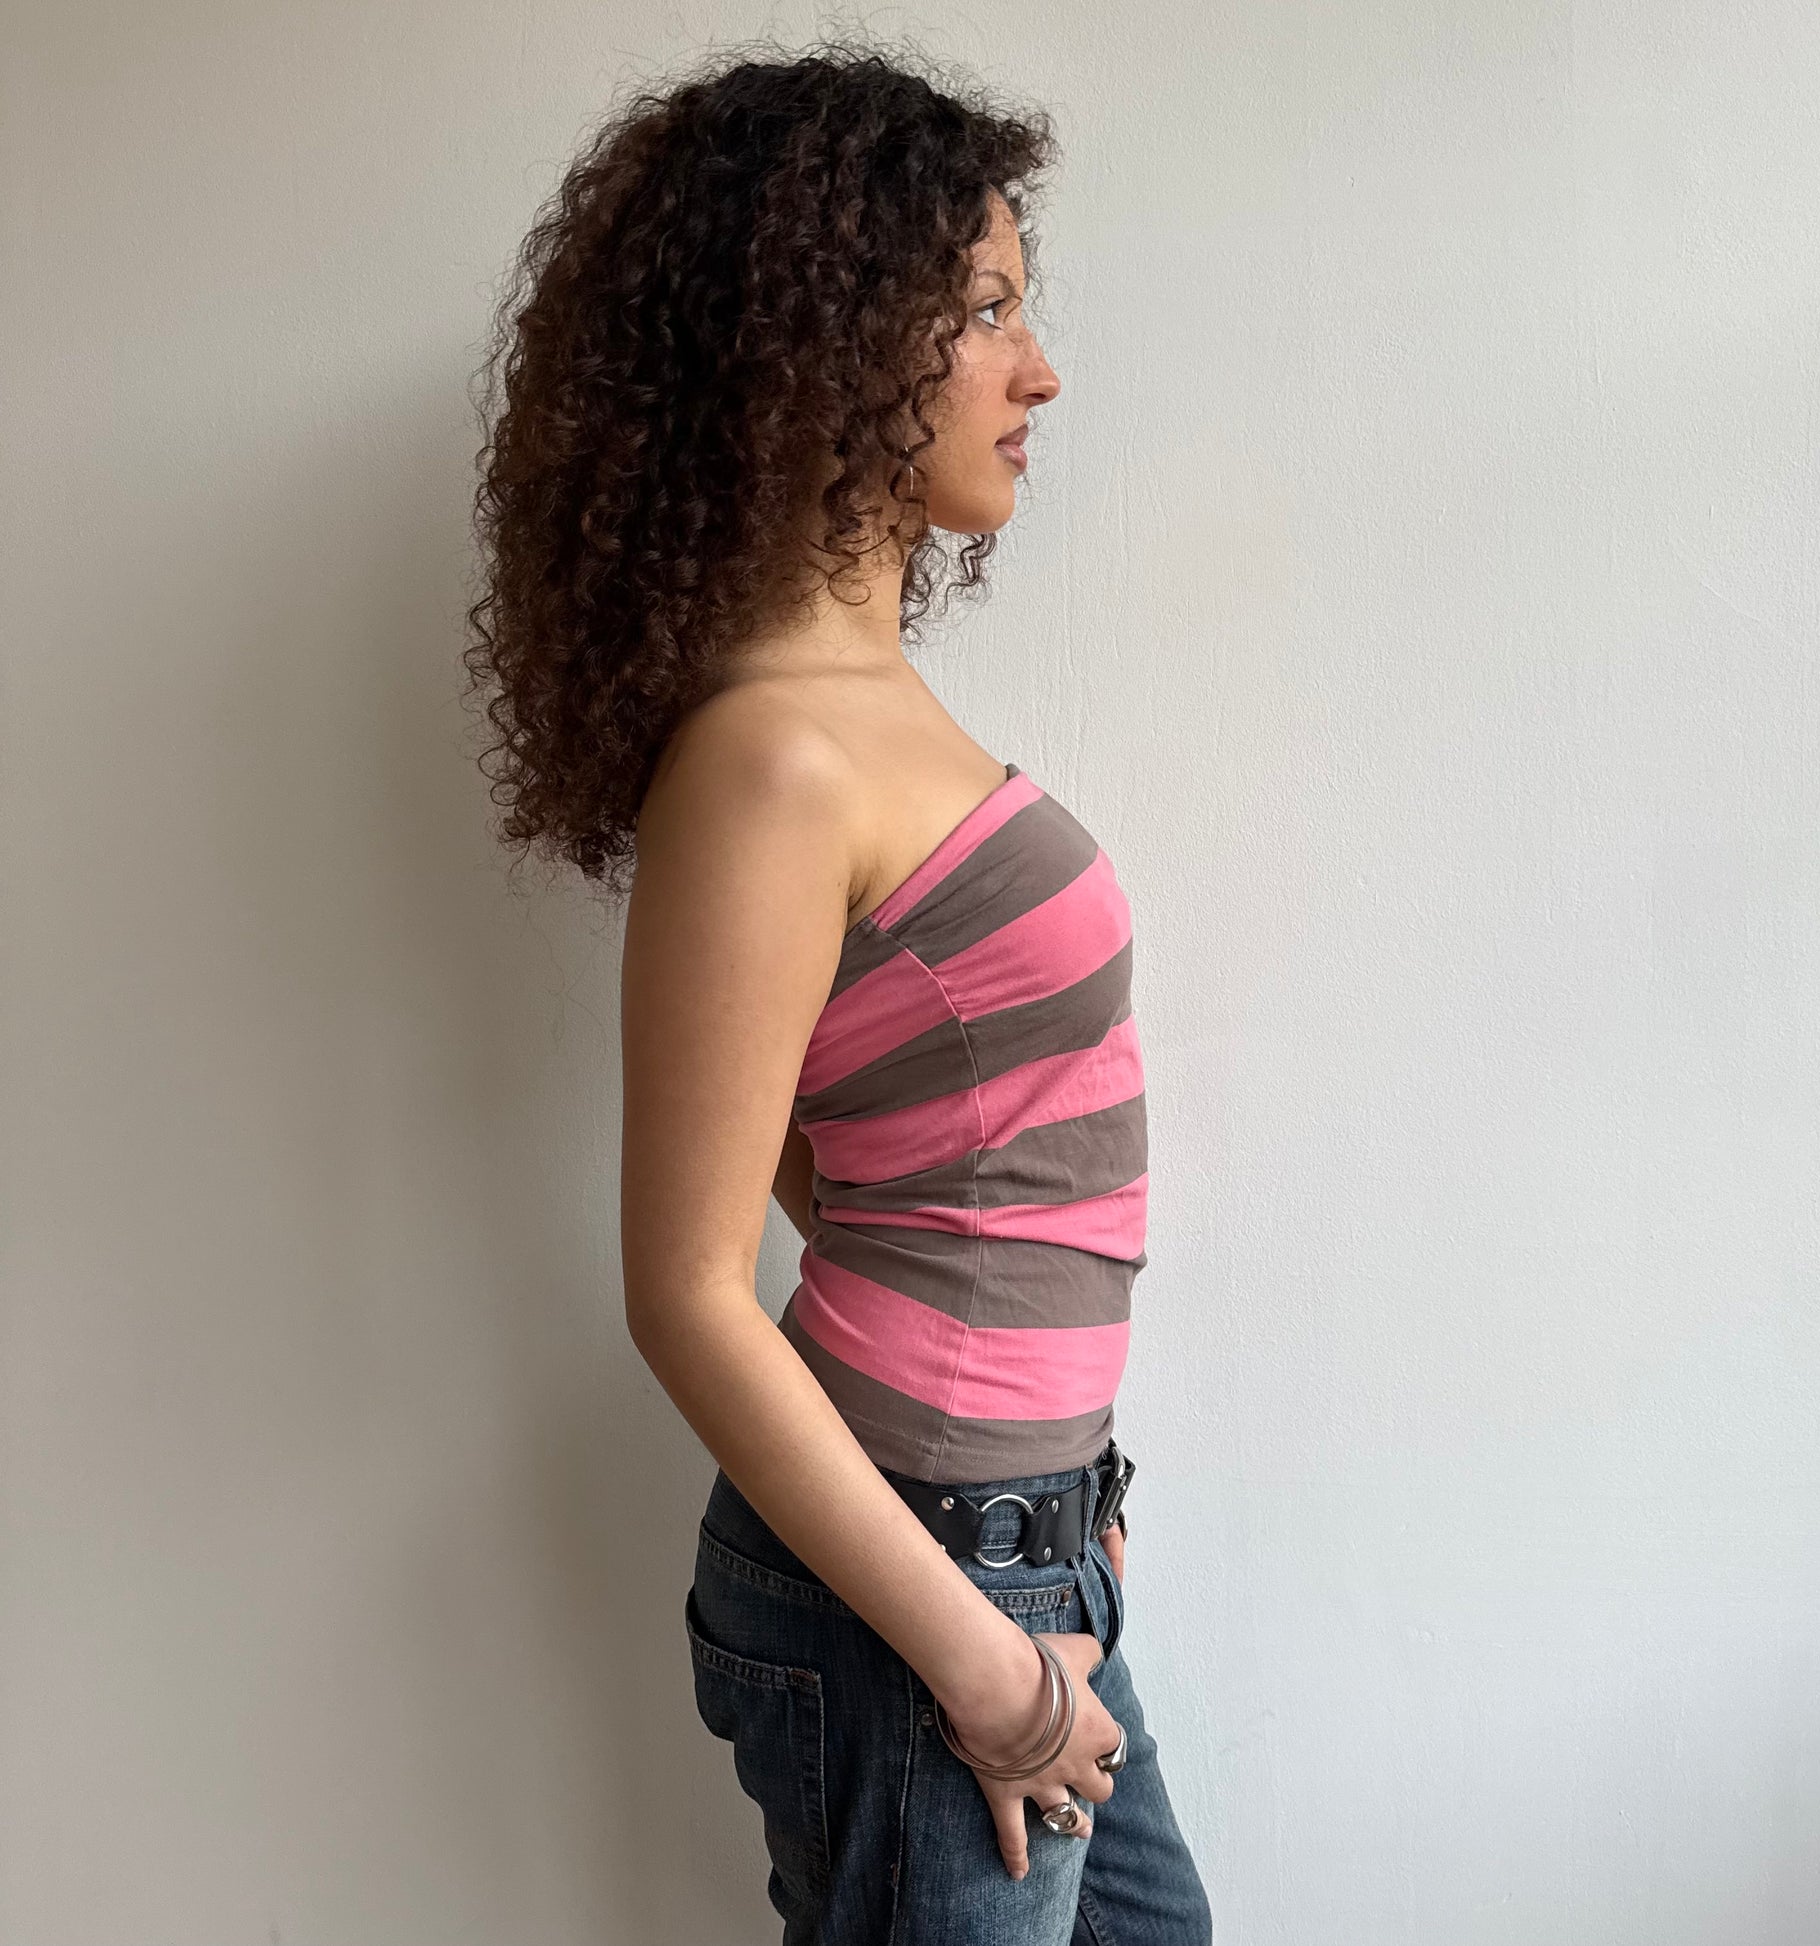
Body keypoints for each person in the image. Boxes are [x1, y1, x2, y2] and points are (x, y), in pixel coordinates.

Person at [463, 40, 1212, 1945]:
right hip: (927, 1606)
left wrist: (1065, 1502)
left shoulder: (860, 717)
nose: (1037, 372)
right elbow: (685, 1290)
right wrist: (981, 1663)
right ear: (826, 342)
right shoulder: (773, 758)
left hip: (1017, 1551)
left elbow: (878, 1146)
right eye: (985, 310)